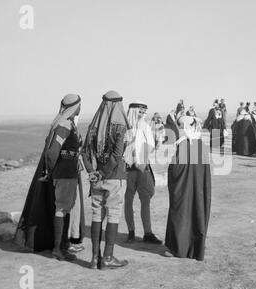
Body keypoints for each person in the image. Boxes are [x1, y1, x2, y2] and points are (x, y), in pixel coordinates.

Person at [14, 94, 84, 261]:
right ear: (75, 107)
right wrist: (50, 170)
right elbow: (52, 151)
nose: (81, 108)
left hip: (66, 172)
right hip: (65, 174)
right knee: (62, 209)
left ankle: (61, 245)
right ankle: (58, 248)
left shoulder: (62, 123)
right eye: (80, 105)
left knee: (63, 208)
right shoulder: (65, 124)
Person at [82, 90, 130, 270]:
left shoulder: (93, 125)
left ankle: (95, 258)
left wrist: (93, 172)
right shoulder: (120, 127)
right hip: (114, 177)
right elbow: (117, 155)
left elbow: (84, 153)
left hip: (96, 179)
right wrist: (102, 173)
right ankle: (108, 257)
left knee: (96, 214)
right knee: (113, 214)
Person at [164, 115, 211, 261]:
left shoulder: (185, 144)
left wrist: (171, 167)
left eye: (180, 126)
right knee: (196, 211)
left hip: (184, 188)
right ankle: (195, 248)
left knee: (181, 213)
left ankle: (180, 248)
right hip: (198, 187)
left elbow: (177, 169)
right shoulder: (200, 143)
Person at [123, 102, 161, 244]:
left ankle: (148, 233)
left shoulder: (145, 126)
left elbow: (150, 146)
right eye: (140, 111)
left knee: (145, 201)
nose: (142, 114)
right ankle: (131, 232)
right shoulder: (125, 127)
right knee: (128, 201)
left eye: (144, 112)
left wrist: (140, 161)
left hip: (142, 169)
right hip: (128, 170)